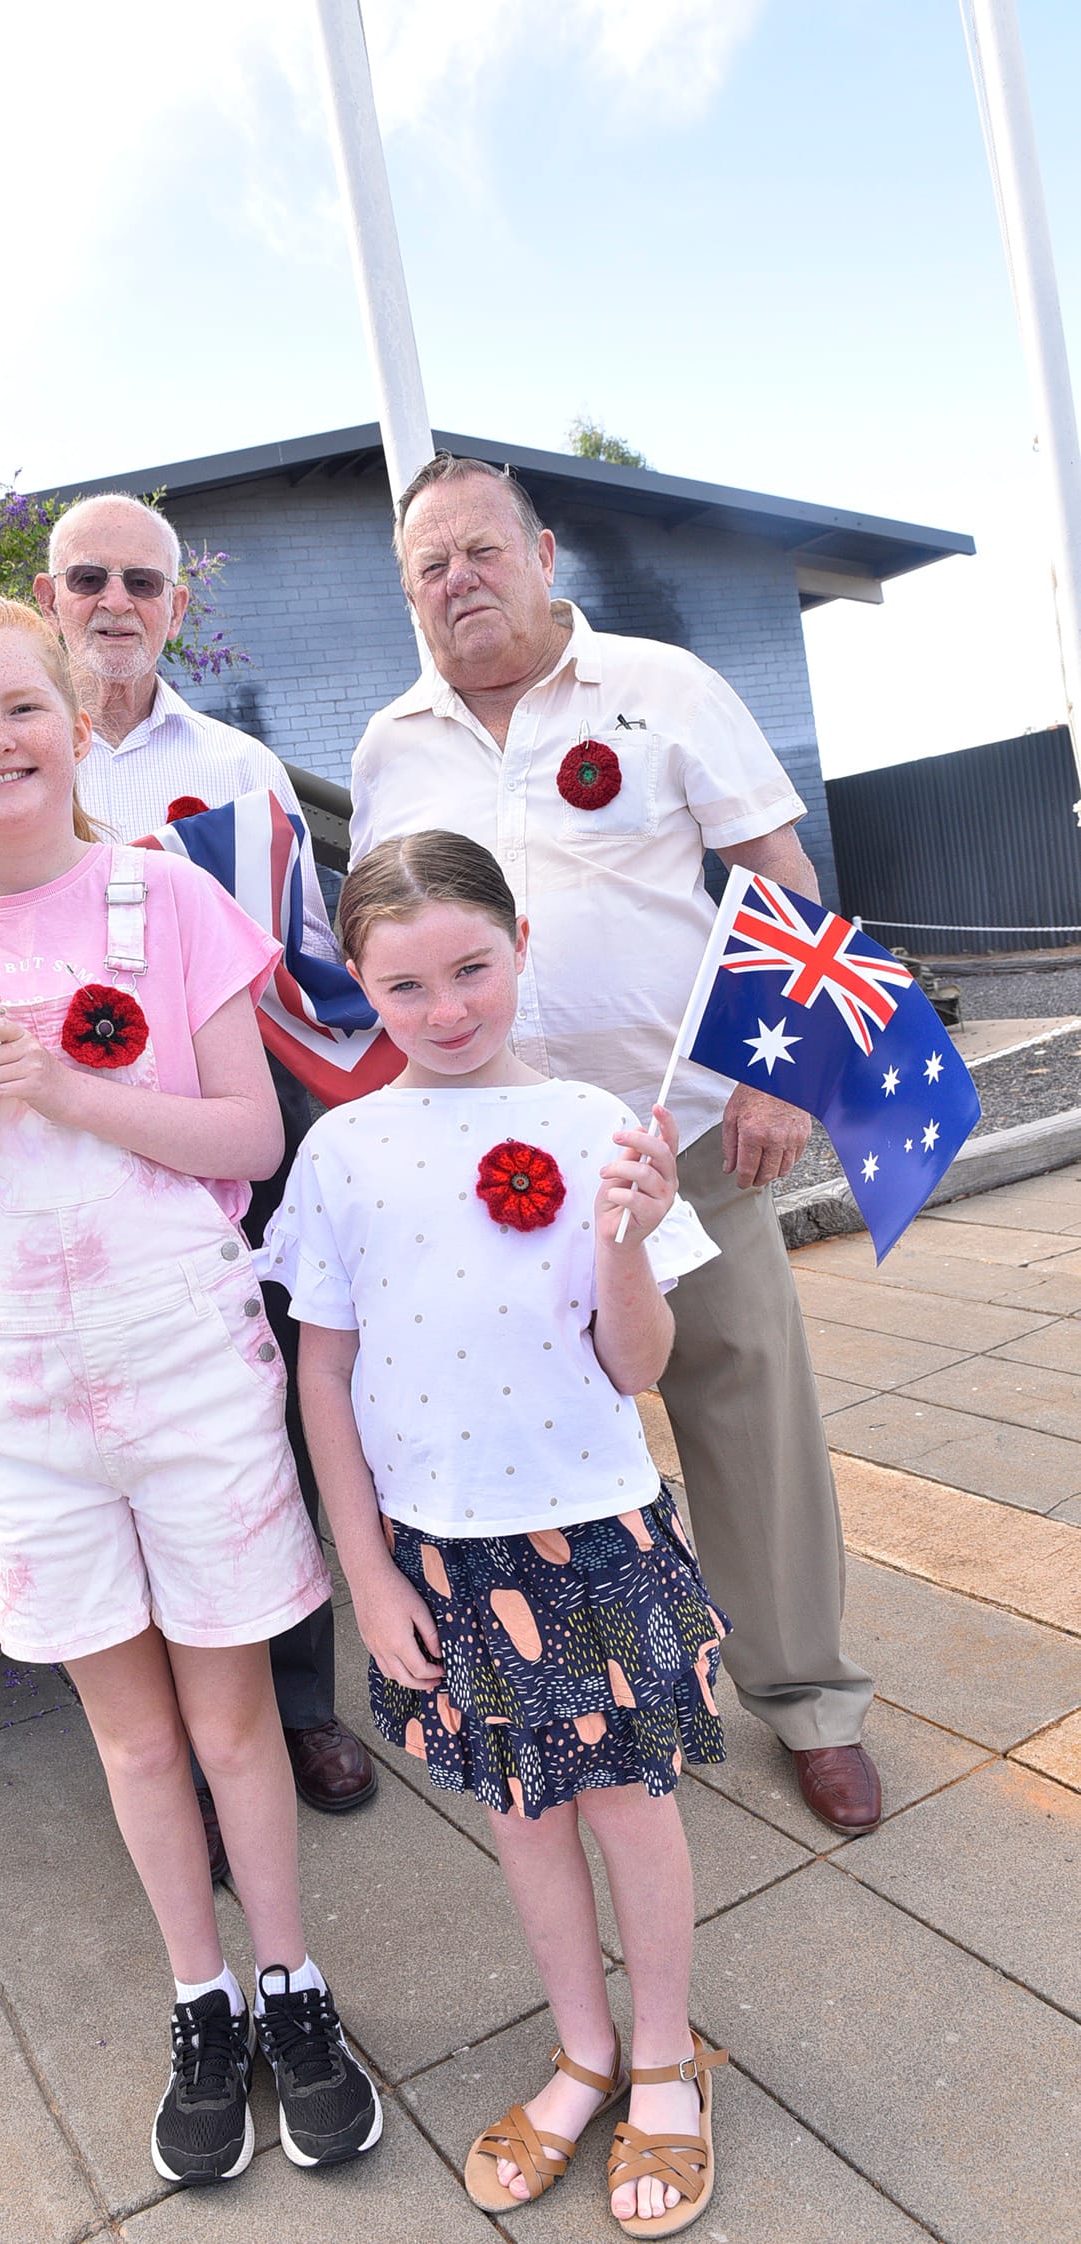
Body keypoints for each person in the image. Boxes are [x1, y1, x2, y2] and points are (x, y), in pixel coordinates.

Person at [0, 594, 381, 2186]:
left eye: (19, 708)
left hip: (189, 1373)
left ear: (77, 722)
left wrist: (65, 1081)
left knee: (230, 1724)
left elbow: (248, 1143)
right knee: (133, 1744)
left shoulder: (167, 897)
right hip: (19, 1393)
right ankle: (197, 1999)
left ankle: (289, 1983)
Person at [349, 454, 880, 1839]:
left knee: (740, 1402)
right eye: (428, 565)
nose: (457, 579)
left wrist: (784, 1078)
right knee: (551, 1430)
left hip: (682, 1132)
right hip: (494, 1172)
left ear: (539, 553)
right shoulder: (389, 746)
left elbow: (782, 876)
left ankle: (809, 1699)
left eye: (479, 550)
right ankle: (599, 1694)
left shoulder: (663, 686)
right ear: (407, 592)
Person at [261, 832, 730, 2236]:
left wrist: (626, 1240)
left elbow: (637, 1365)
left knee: (629, 1812)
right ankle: (579, 2049)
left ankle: (663, 2058)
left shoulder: (601, 1124)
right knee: (522, 1816)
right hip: (439, 1556)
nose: (447, 1006)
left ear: (519, 942)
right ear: (361, 985)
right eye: (406, 984)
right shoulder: (342, 1149)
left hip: (590, 1535)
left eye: (471, 966)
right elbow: (322, 1373)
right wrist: (363, 1571)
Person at [34, 494, 377, 1847]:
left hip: (227, 1149)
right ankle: (160, 1735)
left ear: (176, 606)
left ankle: (294, 1703)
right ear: (50, 596)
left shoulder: (239, 769)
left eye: (142, 580)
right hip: (61, 1172)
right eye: (86, 578)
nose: (114, 600)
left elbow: (297, 977)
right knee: (105, 1432)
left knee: (259, 1421)